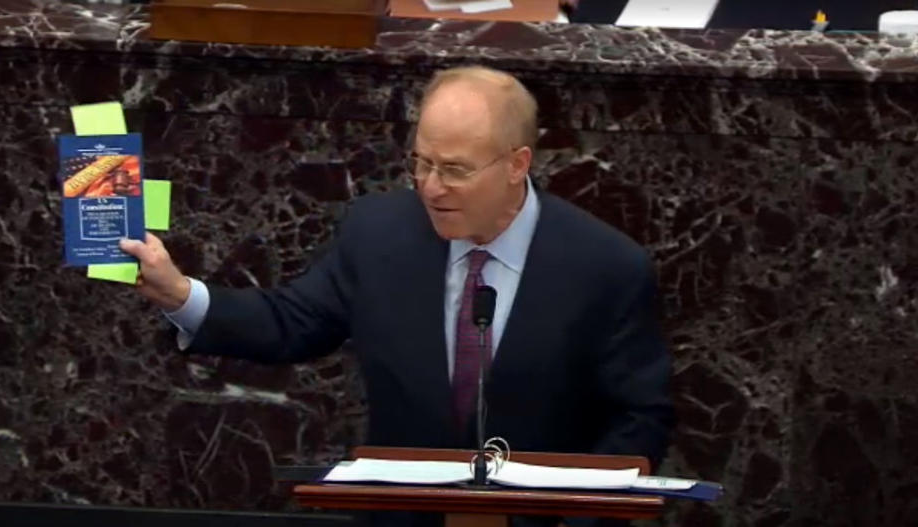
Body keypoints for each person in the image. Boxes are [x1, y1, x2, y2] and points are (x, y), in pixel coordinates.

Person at [120, 66, 674, 526]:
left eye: (454, 170)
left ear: (517, 164)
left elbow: (640, 416)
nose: (431, 187)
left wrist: (581, 518)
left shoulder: (605, 266)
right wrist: (180, 295)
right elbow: (292, 321)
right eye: (421, 163)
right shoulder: (379, 233)